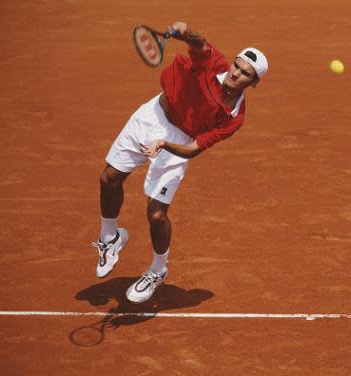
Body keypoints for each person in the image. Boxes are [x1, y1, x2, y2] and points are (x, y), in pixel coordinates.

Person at [91, 21, 268, 303]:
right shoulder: (214, 63)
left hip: (178, 143)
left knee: (156, 214)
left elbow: (193, 148)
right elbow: (199, 43)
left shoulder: (234, 117)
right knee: (108, 179)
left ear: (254, 83)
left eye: (246, 73)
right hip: (152, 115)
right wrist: (185, 32)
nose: (236, 73)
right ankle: (109, 238)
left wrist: (164, 145)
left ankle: (158, 270)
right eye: (237, 65)